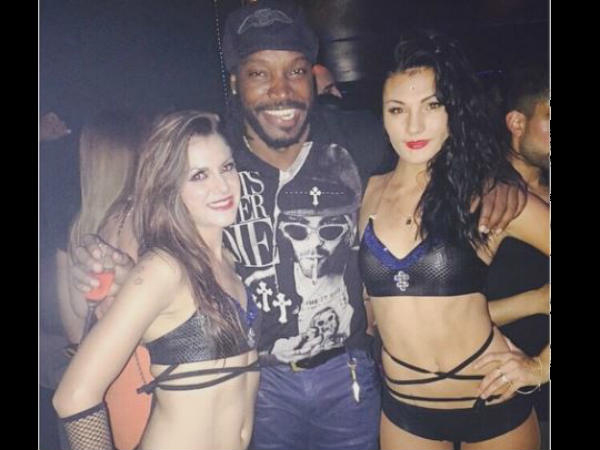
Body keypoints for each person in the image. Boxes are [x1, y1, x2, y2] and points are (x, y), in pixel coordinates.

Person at [67, 2, 525, 449]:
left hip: (348, 375)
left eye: (296, 70)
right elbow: (150, 216)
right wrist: (112, 261)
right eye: (259, 73)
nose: (281, 89)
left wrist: (501, 177)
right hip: (258, 384)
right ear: (235, 82)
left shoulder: (359, 139)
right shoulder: (215, 155)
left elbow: (436, 154)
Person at [358, 30, 549, 449]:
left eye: (432, 105)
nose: (413, 126)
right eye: (397, 109)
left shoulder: (487, 194)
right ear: (383, 116)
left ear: (453, 112)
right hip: (405, 411)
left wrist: (540, 367)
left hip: (490, 403)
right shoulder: (370, 191)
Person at [53, 110, 261, 450]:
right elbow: (73, 395)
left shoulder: (229, 260)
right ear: (169, 187)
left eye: (227, 167)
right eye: (198, 175)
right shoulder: (164, 268)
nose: (222, 186)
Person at [56, 110, 153, 450]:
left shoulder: (77, 230)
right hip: (148, 379)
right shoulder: (142, 222)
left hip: (99, 386)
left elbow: (74, 333)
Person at [484, 66, 550, 448]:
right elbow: (449, 314)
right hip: (509, 390)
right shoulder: (489, 198)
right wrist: (536, 301)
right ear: (516, 123)